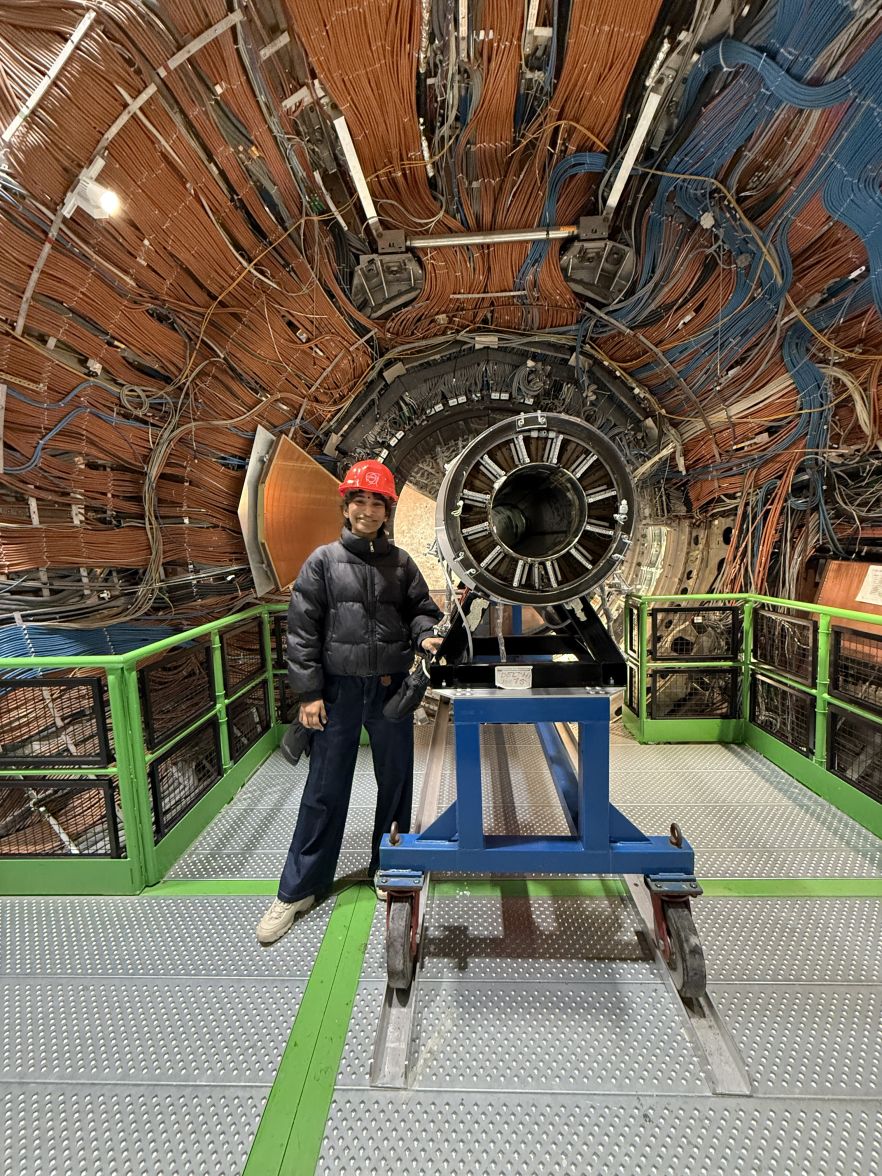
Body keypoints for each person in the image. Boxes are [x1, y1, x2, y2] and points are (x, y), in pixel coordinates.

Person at [256, 459, 443, 945]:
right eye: (359, 500)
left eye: (375, 502)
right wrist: (310, 694)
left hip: (388, 689)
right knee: (323, 789)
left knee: (396, 782)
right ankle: (299, 889)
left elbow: (422, 612)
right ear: (346, 506)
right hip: (337, 694)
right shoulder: (321, 562)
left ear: (387, 510)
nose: (366, 510)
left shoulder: (401, 564)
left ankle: (391, 864)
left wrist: (425, 637)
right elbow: (301, 633)